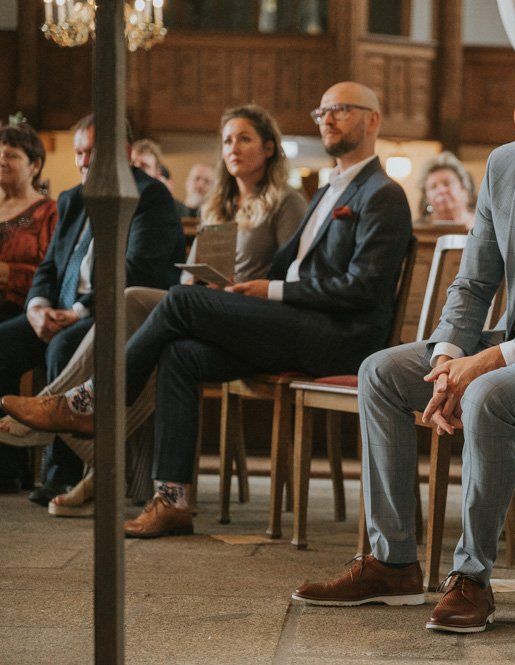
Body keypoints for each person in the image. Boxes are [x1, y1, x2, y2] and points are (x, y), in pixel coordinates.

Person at [289, 59, 515, 634]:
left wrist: (487, 361)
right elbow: (473, 283)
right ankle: (393, 562)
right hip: (513, 341)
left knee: (488, 393)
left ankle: (472, 578)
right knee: (380, 372)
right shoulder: (502, 165)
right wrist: (449, 358)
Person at [2, 82, 412, 538]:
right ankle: (172, 499)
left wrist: (271, 291)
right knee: (179, 354)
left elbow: (363, 289)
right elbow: (290, 266)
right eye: (322, 111)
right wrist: (241, 293)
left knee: (179, 301)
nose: (328, 118)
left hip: (339, 336)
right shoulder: (326, 191)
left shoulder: (382, 193)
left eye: (341, 109)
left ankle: (92, 401)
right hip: (295, 323)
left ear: (372, 120)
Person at [0, 104, 307, 516]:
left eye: (244, 139)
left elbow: (292, 276)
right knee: (159, 344)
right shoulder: (218, 204)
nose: (233, 147)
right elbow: (188, 274)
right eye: (227, 140)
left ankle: (65, 415)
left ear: (269, 148)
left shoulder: (286, 202)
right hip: (205, 308)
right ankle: (96, 460)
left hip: (249, 315)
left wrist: (249, 288)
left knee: (130, 303)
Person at [0, 114, 184, 500]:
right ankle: (8, 467)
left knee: (63, 346)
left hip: (111, 313)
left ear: (125, 152)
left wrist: (79, 311)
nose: (83, 161)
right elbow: (49, 266)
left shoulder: (149, 196)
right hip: (59, 310)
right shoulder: (72, 199)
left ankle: (63, 473)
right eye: (79, 152)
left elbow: (138, 270)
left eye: (92, 152)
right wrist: (37, 307)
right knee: (4, 343)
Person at [0, 119, 58, 323]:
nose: (1, 161)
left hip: (21, 312)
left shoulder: (50, 213)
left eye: (11, 155)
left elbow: (54, 275)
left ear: (35, 165)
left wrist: (8, 273)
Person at [416, 151, 475, 229]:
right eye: (433, 187)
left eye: (447, 183)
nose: (441, 190)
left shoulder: (483, 225)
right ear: (426, 197)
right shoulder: (419, 228)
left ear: (464, 188)